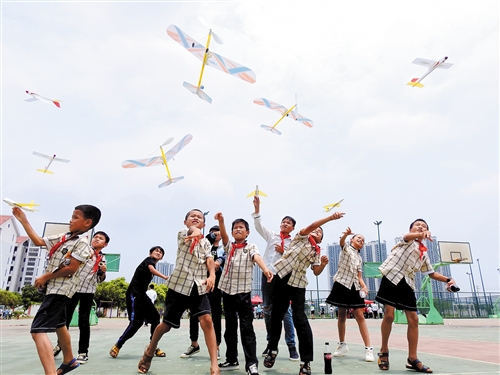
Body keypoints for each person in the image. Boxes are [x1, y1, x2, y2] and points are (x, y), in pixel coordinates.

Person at [12, 204, 100, 375]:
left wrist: (45, 277)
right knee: (60, 325)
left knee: (37, 331)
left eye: (75, 217)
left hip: (60, 289)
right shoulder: (65, 237)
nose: (70, 220)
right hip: (54, 288)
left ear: (87, 222)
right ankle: (69, 361)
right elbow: (39, 241)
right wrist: (24, 220)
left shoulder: (82, 244)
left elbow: (71, 268)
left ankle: (50, 372)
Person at [137, 209, 219, 375]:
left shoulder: (206, 244)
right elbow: (193, 232)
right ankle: (150, 350)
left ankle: (214, 366)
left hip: (199, 286)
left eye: (199, 217)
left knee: (207, 320)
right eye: (192, 216)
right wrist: (195, 232)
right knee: (165, 325)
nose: (195, 218)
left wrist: (212, 276)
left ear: (204, 224)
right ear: (185, 222)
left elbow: (209, 260)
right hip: (179, 286)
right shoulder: (183, 234)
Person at [263, 211, 344, 375]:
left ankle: (305, 362)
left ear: (321, 239)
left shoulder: (316, 251)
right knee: (276, 315)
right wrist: (330, 218)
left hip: (298, 284)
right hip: (282, 277)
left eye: (320, 232)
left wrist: (321, 264)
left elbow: (316, 272)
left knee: (300, 319)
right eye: (316, 229)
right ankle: (272, 349)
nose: (317, 231)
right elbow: (312, 225)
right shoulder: (300, 237)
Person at [375, 218, 457, 373]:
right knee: (389, 316)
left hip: (407, 282)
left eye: (424, 226)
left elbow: (431, 273)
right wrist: (420, 233)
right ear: (411, 229)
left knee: (413, 319)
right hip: (392, 277)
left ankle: (412, 358)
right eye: (417, 226)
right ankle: (384, 351)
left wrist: (448, 280)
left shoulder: (423, 253)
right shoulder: (404, 240)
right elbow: (407, 236)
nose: (420, 227)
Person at [215, 212, 273, 375]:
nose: (238, 230)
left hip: (243, 293)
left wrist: (266, 269)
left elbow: (257, 257)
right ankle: (232, 359)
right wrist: (221, 221)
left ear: (247, 232)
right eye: (235, 228)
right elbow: (224, 235)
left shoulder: (250, 247)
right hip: (227, 291)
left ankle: (251, 364)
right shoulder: (229, 247)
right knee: (230, 328)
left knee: (247, 328)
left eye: (241, 227)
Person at [251, 196, 299, 361]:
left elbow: (296, 259)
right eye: (283, 221)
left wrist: (283, 251)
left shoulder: (294, 241)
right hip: (268, 276)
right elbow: (259, 226)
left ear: (292, 228)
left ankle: (292, 347)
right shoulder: (272, 236)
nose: (285, 223)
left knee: (285, 313)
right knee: (268, 312)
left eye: (288, 223)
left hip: (283, 279)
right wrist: (257, 210)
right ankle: (271, 345)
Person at [53, 231, 109, 364]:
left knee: (84, 322)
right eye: (95, 237)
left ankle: (83, 352)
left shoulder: (102, 259)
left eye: (100, 239)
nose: (96, 239)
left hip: (88, 291)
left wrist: (103, 272)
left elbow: (100, 279)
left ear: (105, 244)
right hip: (73, 288)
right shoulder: (84, 250)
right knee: (64, 320)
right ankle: (60, 344)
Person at [110, 246, 169, 358]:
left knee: (156, 317)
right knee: (136, 323)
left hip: (142, 295)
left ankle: (153, 346)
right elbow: (151, 269)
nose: (158, 252)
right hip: (134, 294)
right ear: (150, 253)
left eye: (161, 252)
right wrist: (165, 277)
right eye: (156, 250)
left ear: (161, 257)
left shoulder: (152, 264)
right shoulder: (148, 261)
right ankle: (118, 345)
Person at [326, 227, 373, 361]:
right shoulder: (346, 248)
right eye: (359, 238)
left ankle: (368, 349)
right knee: (341, 315)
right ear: (352, 240)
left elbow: (359, 276)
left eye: (363, 241)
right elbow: (341, 242)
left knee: (359, 315)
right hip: (341, 283)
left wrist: (364, 286)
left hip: (354, 286)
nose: (361, 240)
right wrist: (345, 235)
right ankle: (342, 345)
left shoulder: (359, 257)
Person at [180, 225, 225, 360]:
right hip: (199, 281)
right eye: (213, 231)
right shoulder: (204, 243)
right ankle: (194, 344)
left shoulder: (224, 247)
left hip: (216, 284)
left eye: (218, 231)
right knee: (194, 314)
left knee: (216, 315)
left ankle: (216, 347)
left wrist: (217, 262)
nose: (215, 233)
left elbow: (224, 258)